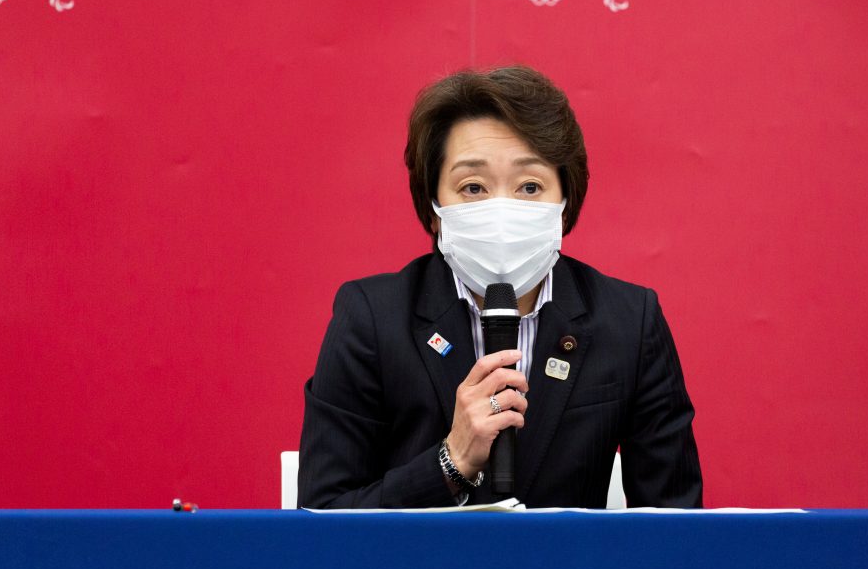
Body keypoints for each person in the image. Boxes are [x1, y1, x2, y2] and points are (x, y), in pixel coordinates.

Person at [297, 65, 702, 509]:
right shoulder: (373, 318)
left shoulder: (629, 321)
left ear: (564, 206)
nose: (502, 209)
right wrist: (450, 462)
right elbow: (322, 516)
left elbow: (675, 524)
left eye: (530, 186)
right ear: (434, 209)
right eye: (473, 187)